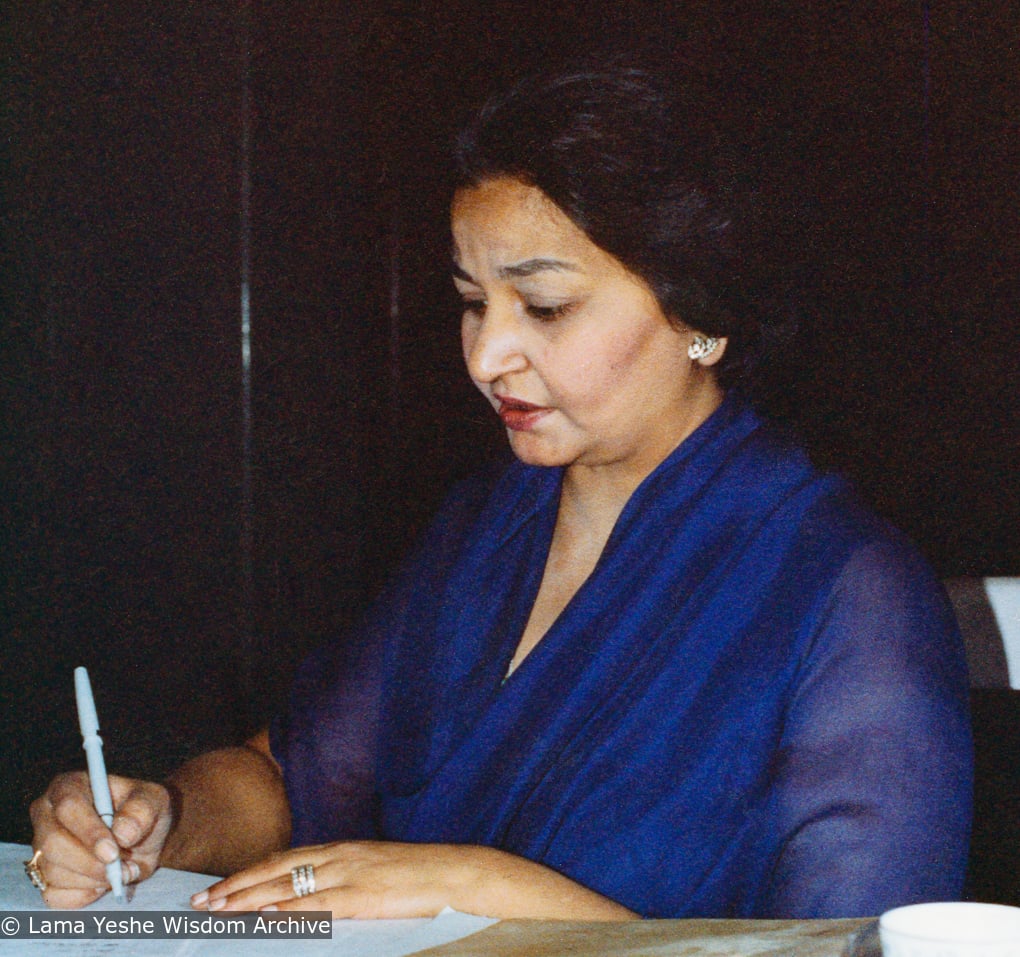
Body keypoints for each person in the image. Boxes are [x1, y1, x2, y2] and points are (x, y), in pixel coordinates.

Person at [29, 64, 972, 920]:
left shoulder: (849, 592)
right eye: (473, 301)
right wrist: (162, 819)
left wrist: (474, 883)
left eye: (545, 305)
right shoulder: (487, 528)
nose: (485, 356)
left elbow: (864, 947)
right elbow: (290, 777)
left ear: (700, 316)